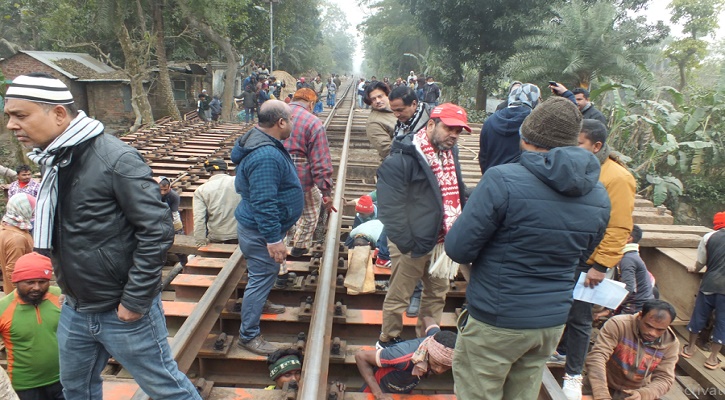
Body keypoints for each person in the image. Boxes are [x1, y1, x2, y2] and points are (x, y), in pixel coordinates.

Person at [4, 73, 200, 399]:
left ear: (58, 114)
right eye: (9, 115)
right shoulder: (55, 159)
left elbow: (157, 229)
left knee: (167, 390)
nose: (11, 124)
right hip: (77, 308)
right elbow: (71, 233)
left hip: (122, 310)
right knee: (76, 389)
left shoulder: (115, 159)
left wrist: (135, 301)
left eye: (20, 115)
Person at [445, 97, 610, 400]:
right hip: (550, 323)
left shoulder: (502, 179)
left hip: (497, 319)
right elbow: (584, 253)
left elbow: (458, 248)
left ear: (524, 136)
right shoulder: (599, 194)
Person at [376, 103, 470, 347]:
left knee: (436, 295)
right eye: (449, 128)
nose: (454, 135)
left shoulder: (450, 154)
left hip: (442, 243)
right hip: (412, 242)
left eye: (459, 131)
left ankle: (427, 342)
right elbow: (390, 208)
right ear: (431, 124)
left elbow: (456, 190)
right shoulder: (401, 160)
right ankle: (388, 340)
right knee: (400, 295)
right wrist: (407, 243)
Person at [558, 118, 637, 400]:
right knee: (557, 310)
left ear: (596, 146)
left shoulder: (617, 178)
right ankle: (557, 351)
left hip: (588, 260)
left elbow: (618, 226)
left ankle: (573, 374)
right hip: (565, 252)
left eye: (578, 144)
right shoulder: (572, 168)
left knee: (580, 318)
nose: (572, 149)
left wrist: (601, 264)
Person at [231, 100, 303, 355]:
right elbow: (264, 202)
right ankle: (248, 335)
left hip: (257, 228)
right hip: (261, 232)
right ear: (281, 122)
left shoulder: (260, 142)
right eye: (291, 120)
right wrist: (273, 239)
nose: (293, 124)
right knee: (261, 277)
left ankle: (260, 303)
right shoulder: (266, 155)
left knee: (262, 275)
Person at [584, 300, 679, 400]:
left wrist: (643, 394)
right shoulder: (619, 324)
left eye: (660, 330)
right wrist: (602, 395)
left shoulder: (671, 344)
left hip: (633, 394)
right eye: (648, 326)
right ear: (640, 316)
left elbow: (664, 378)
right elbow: (597, 357)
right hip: (598, 385)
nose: (652, 333)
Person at [0, 252, 63, 400]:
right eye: (30, 282)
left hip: (63, 379)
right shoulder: (3, 309)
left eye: (42, 282)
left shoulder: (60, 298)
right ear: (16, 281)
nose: (37, 287)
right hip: (25, 387)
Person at [285, 89, 334, 257]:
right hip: (301, 181)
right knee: (311, 211)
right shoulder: (313, 122)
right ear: (311, 104)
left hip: (273, 178)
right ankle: (300, 245)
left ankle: (280, 271)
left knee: (280, 225)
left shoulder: (275, 115)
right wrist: (326, 191)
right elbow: (320, 162)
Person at [355, 316, 455, 398]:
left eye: (446, 366)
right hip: (379, 389)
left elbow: (428, 319)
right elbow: (360, 356)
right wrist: (378, 393)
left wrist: (421, 337)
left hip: (404, 389)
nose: (439, 370)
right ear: (429, 351)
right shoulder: (401, 356)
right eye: (436, 363)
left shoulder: (436, 340)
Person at [681, 211, 725, 370]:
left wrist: (694, 268)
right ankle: (712, 359)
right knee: (722, 322)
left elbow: (701, 261)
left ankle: (690, 348)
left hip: (709, 284)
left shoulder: (709, 237)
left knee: (699, 315)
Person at [478, 83, 540, 174]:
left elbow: (483, 157)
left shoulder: (490, 121)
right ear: (533, 99)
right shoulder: (534, 122)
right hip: (522, 182)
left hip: (492, 180)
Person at [193, 158, 240, 246]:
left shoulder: (201, 190)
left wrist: (200, 243)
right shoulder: (238, 182)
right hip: (241, 234)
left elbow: (199, 219)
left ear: (210, 172)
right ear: (226, 170)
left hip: (218, 237)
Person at [0, 194, 35, 293]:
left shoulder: (7, 227)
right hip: (22, 296)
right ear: (24, 209)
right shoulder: (16, 238)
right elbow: (13, 272)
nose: (33, 212)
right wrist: (22, 297)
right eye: (31, 209)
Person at [617, 225, 655, 315]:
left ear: (629, 238)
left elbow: (629, 288)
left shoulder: (628, 259)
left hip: (636, 306)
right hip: (643, 301)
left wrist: (609, 309)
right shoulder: (632, 255)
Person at [364, 80, 397, 160]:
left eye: (380, 96)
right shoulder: (373, 123)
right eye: (373, 99)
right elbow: (388, 151)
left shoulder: (397, 109)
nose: (378, 101)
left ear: (387, 95)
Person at [158, 177, 187, 266]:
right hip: (159, 221)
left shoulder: (174, 196)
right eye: (161, 190)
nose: (162, 192)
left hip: (172, 220)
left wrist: (176, 228)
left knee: (179, 245)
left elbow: (174, 213)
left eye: (165, 190)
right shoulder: (154, 194)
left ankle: (184, 263)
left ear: (169, 188)